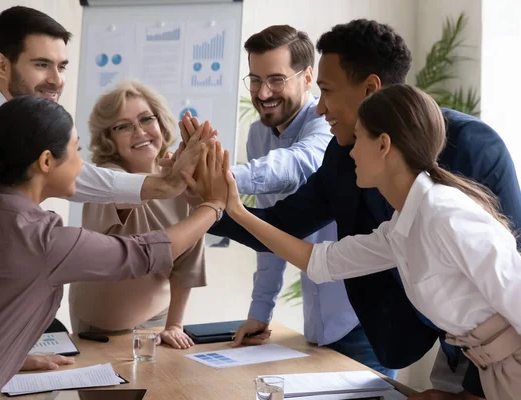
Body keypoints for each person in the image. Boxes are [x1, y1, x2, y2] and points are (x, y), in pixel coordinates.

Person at [193, 19, 521, 399]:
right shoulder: (398, 218)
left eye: (327, 91)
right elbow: (319, 258)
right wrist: (226, 207)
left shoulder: (450, 201)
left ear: (370, 92)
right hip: (463, 350)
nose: (320, 109)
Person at [0, 6, 201, 371]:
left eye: (62, 66)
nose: (57, 80)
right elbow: (78, 181)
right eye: (41, 65)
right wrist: (165, 186)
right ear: (2, 65)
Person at [0, 96, 228, 399]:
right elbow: (144, 254)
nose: (82, 164)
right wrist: (213, 204)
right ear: (45, 162)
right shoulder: (42, 240)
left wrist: (9, 358)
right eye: (75, 152)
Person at [221, 24, 393, 378]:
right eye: (254, 79)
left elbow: (294, 165)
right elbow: (275, 230)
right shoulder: (258, 135)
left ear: (307, 78)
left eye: (276, 79)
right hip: (318, 324)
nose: (263, 92)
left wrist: (219, 179)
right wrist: (260, 312)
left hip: (360, 322)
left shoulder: (330, 130)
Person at [69, 81, 207, 349]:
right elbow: (127, 193)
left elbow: (188, 261)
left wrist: (175, 324)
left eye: (146, 119)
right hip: (100, 323)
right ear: (109, 138)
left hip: (157, 315)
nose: (140, 131)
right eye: (124, 126)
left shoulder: (182, 179)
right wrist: (172, 180)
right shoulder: (107, 178)